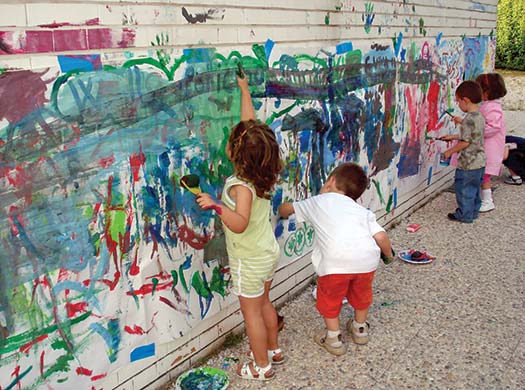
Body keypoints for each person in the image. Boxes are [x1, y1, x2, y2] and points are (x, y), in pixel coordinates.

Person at [196, 74, 284, 381]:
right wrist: (244, 89)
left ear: (235, 151)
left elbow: (240, 222)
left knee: (251, 314)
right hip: (267, 252)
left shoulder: (239, 187)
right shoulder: (264, 170)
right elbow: (251, 129)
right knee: (264, 303)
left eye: (231, 141)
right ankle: (274, 350)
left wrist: (217, 205)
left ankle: (261, 366)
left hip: (249, 258)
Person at [278, 163, 394, 356]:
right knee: (361, 294)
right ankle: (360, 329)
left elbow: (287, 210)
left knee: (330, 298)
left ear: (330, 181)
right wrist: (389, 257)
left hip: (335, 264)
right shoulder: (362, 212)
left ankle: (333, 339)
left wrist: (281, 210)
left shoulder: (319, 201)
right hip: (366, 262)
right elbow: (381, 238)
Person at [441, 80, 486, 223]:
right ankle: (473, 212)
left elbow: (465, 142)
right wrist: (453, 135)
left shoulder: (468, 120)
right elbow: (472, 136)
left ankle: (464, 215)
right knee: (474, 189)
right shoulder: (479, 116)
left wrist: (450, 151)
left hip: (468, 164)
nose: (458, 105)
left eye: (459, 102)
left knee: (463, 190)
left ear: (466, 100)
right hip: (480, 162)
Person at [475, 73, 507, 212]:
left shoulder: (492, 107)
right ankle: (483, 198)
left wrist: (476, 131)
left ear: (487, 91)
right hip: (487, 147)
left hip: (490, 148)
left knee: (485, 176)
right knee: (483, 175)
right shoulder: (488, 105)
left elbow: (494, 127)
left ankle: (488, 201)